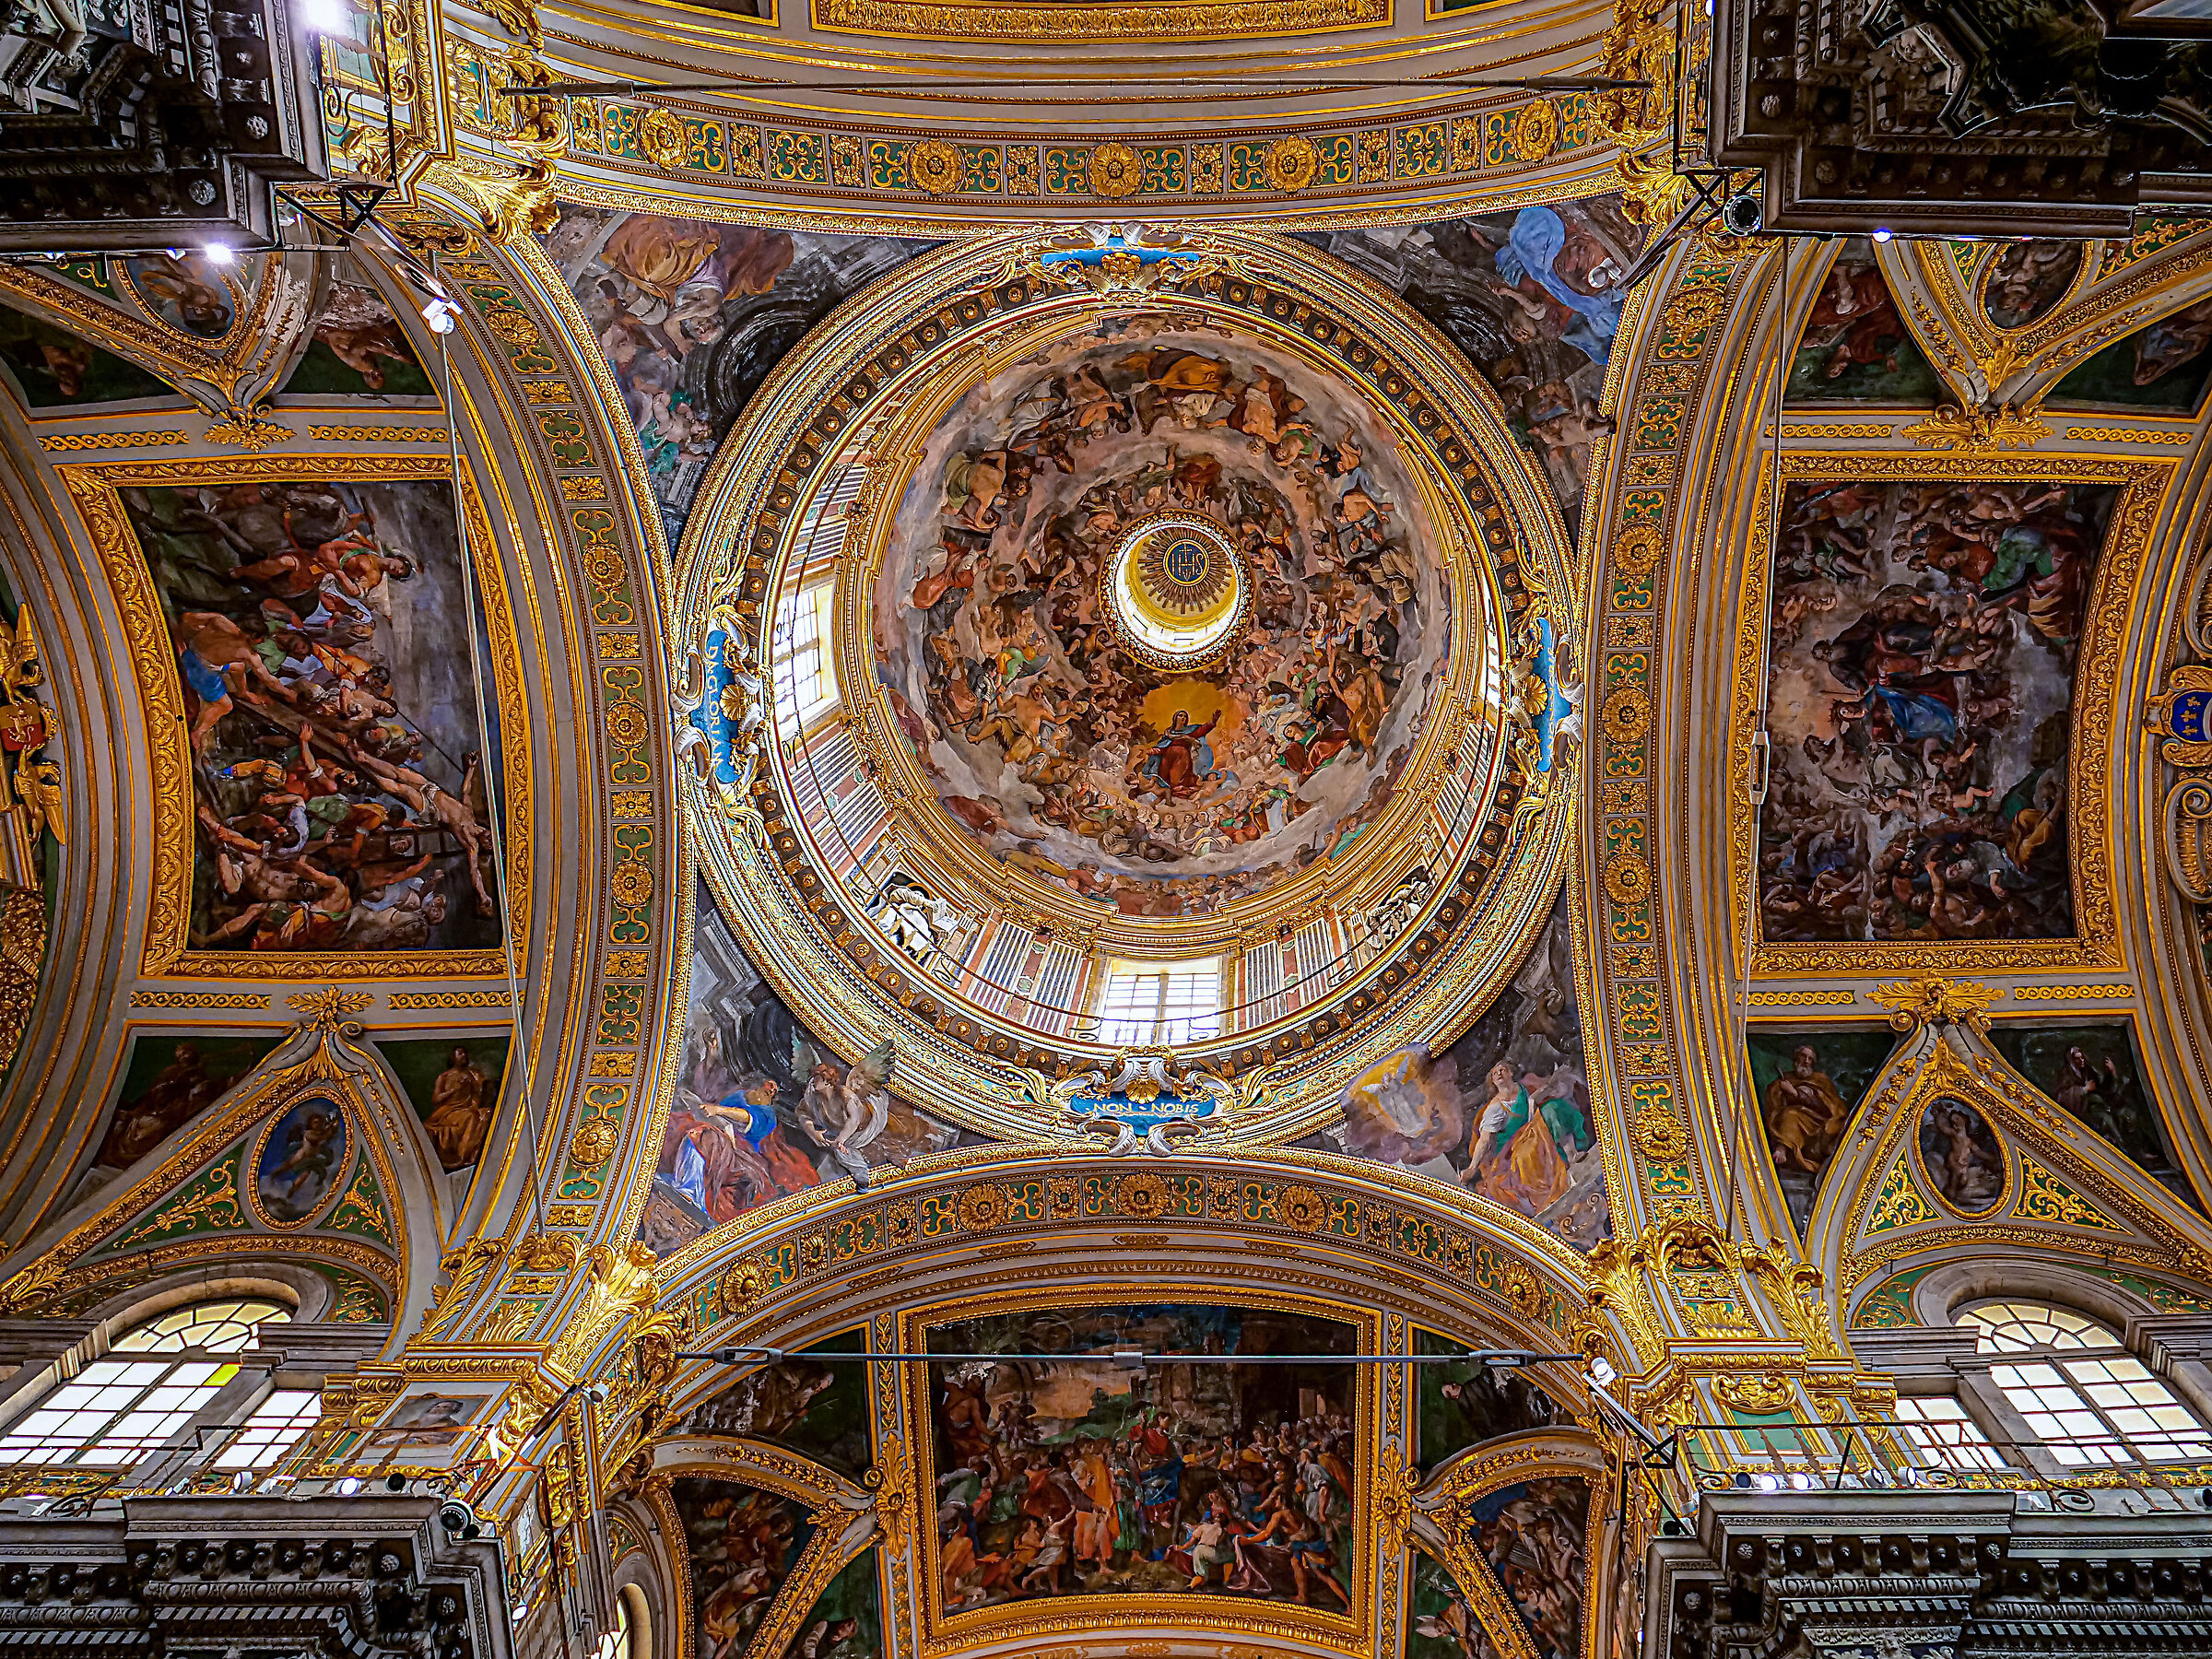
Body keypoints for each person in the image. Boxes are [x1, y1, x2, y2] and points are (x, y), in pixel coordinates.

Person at [422, 1045, 494, 1170]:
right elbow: (436, 1099)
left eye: (464, 1053)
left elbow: (477, 1095)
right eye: (460, 1053)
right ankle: (461, 1157)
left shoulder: (473, 1075)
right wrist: (453, 1090)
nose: (463, 1056)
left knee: (486, 1113)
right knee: (471, 1117)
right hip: (449, 1112)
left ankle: (472, 1155)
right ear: (453, 1057)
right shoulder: (444, 1077)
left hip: (467, 1109)